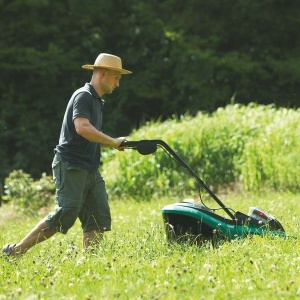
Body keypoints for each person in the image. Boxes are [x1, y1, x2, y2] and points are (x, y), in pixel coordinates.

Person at [3, 53, 132, 257]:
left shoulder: (97, 101)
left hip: (90, 168)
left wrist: (115, 143)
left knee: (98, 216)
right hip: (71, 165)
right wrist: (113, 142)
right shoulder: (84, 96)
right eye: (116, 78)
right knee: (66, 211)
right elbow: (82, 128)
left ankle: (91, 262)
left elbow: (89, 135)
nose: (118, 84)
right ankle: (16, 251)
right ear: (103, 73)